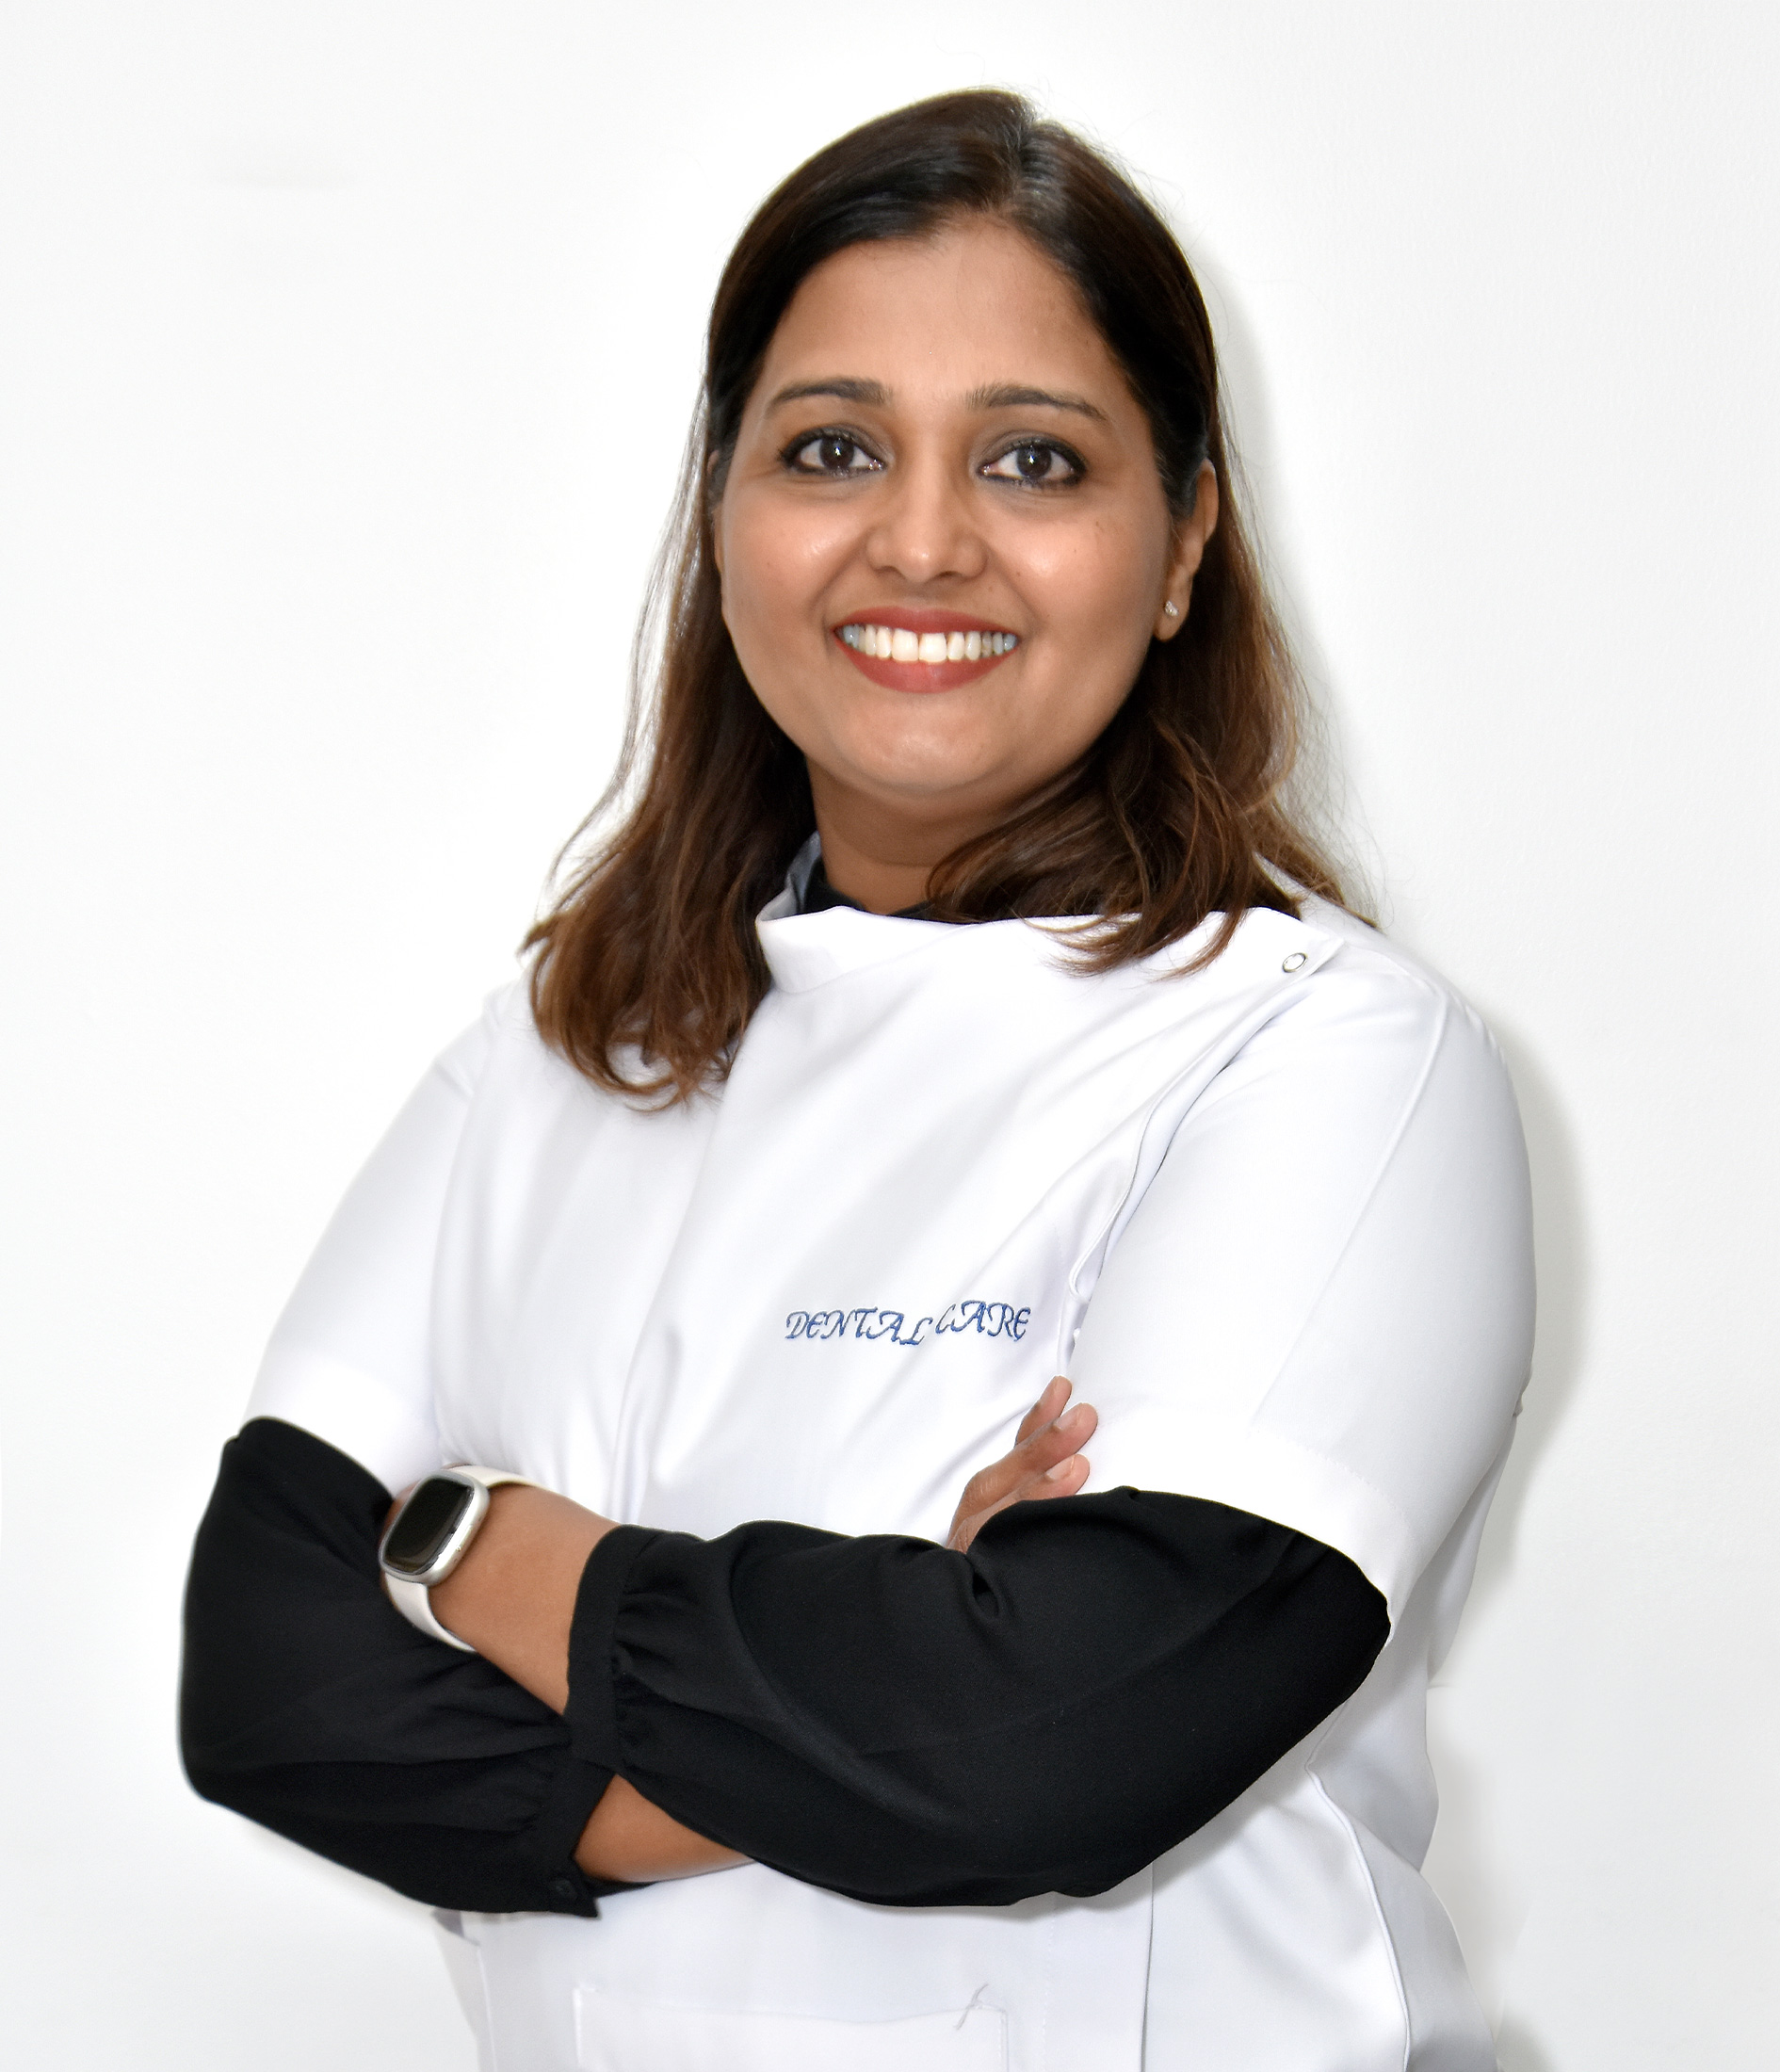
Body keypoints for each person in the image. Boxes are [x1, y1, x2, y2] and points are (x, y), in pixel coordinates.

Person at [180, 89, 1534, 2072]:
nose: (921, 540)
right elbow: (271, 1690)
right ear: (724, 513)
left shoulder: (1329, 1058)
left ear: (1180, 548)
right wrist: (876, 1660)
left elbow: (1041, 1756)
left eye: (1032, 459)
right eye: (831, 448)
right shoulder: (556, 1054)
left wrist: (473, 1551)